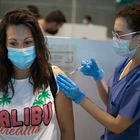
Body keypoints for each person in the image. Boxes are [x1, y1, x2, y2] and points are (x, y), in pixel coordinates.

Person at [57, 3, 140, 140]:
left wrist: (80, 97)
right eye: (114, 33)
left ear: (138, 37)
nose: (115, 39)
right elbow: (111, 103)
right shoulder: (126, 62)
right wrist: (98, 78)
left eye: (120, 35)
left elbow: (117, 126)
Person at [0, 9, 75, 140]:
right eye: (13, 43)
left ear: (37, 43)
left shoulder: (54, 76)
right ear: (4, 45)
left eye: (27, 42)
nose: (21, 49)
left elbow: (67, 131)